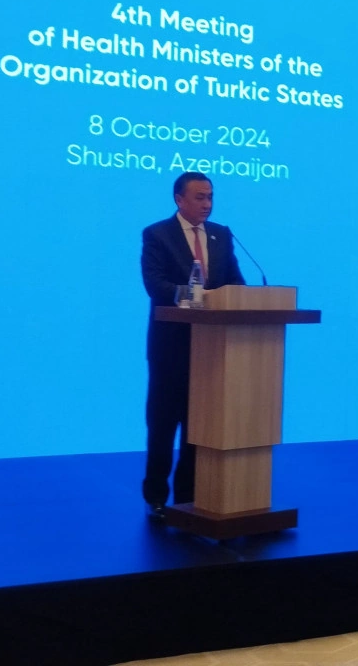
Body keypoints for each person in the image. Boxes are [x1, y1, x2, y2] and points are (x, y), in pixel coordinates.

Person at [140, 172, 244, 517]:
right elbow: (155, 285)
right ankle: (156, 496)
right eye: (200, 197)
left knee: (198, 428)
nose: (207, 204)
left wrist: (240, 299)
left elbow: (236, 283)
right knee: (163, 425)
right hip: (171, 349)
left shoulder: (221, 235)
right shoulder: (157, 234)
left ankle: (188, 497)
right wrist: (195, 297)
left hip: (211, 350)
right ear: (179, 199)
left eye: (210, 197)